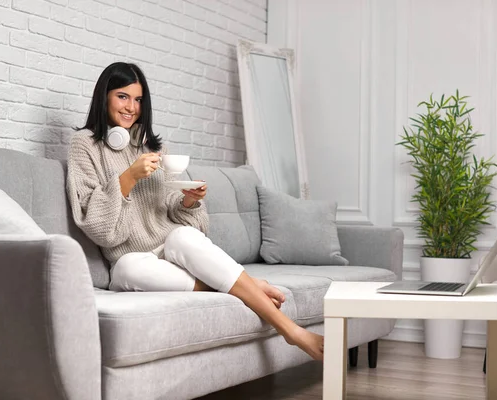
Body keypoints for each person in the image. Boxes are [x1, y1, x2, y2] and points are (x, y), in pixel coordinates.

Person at [66, 62, 323, 361]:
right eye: (123, 97)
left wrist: (188, 201)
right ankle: (249, 286)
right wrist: (128, 177)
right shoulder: (84, 145)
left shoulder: (149, 146)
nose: (131, 107)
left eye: (138, 100)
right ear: (104, 97)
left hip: (172, 245)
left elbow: (170, 209)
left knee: (184, 237)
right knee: (126, 269)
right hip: (130, 257)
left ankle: (291, 331)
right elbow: (97, 225)